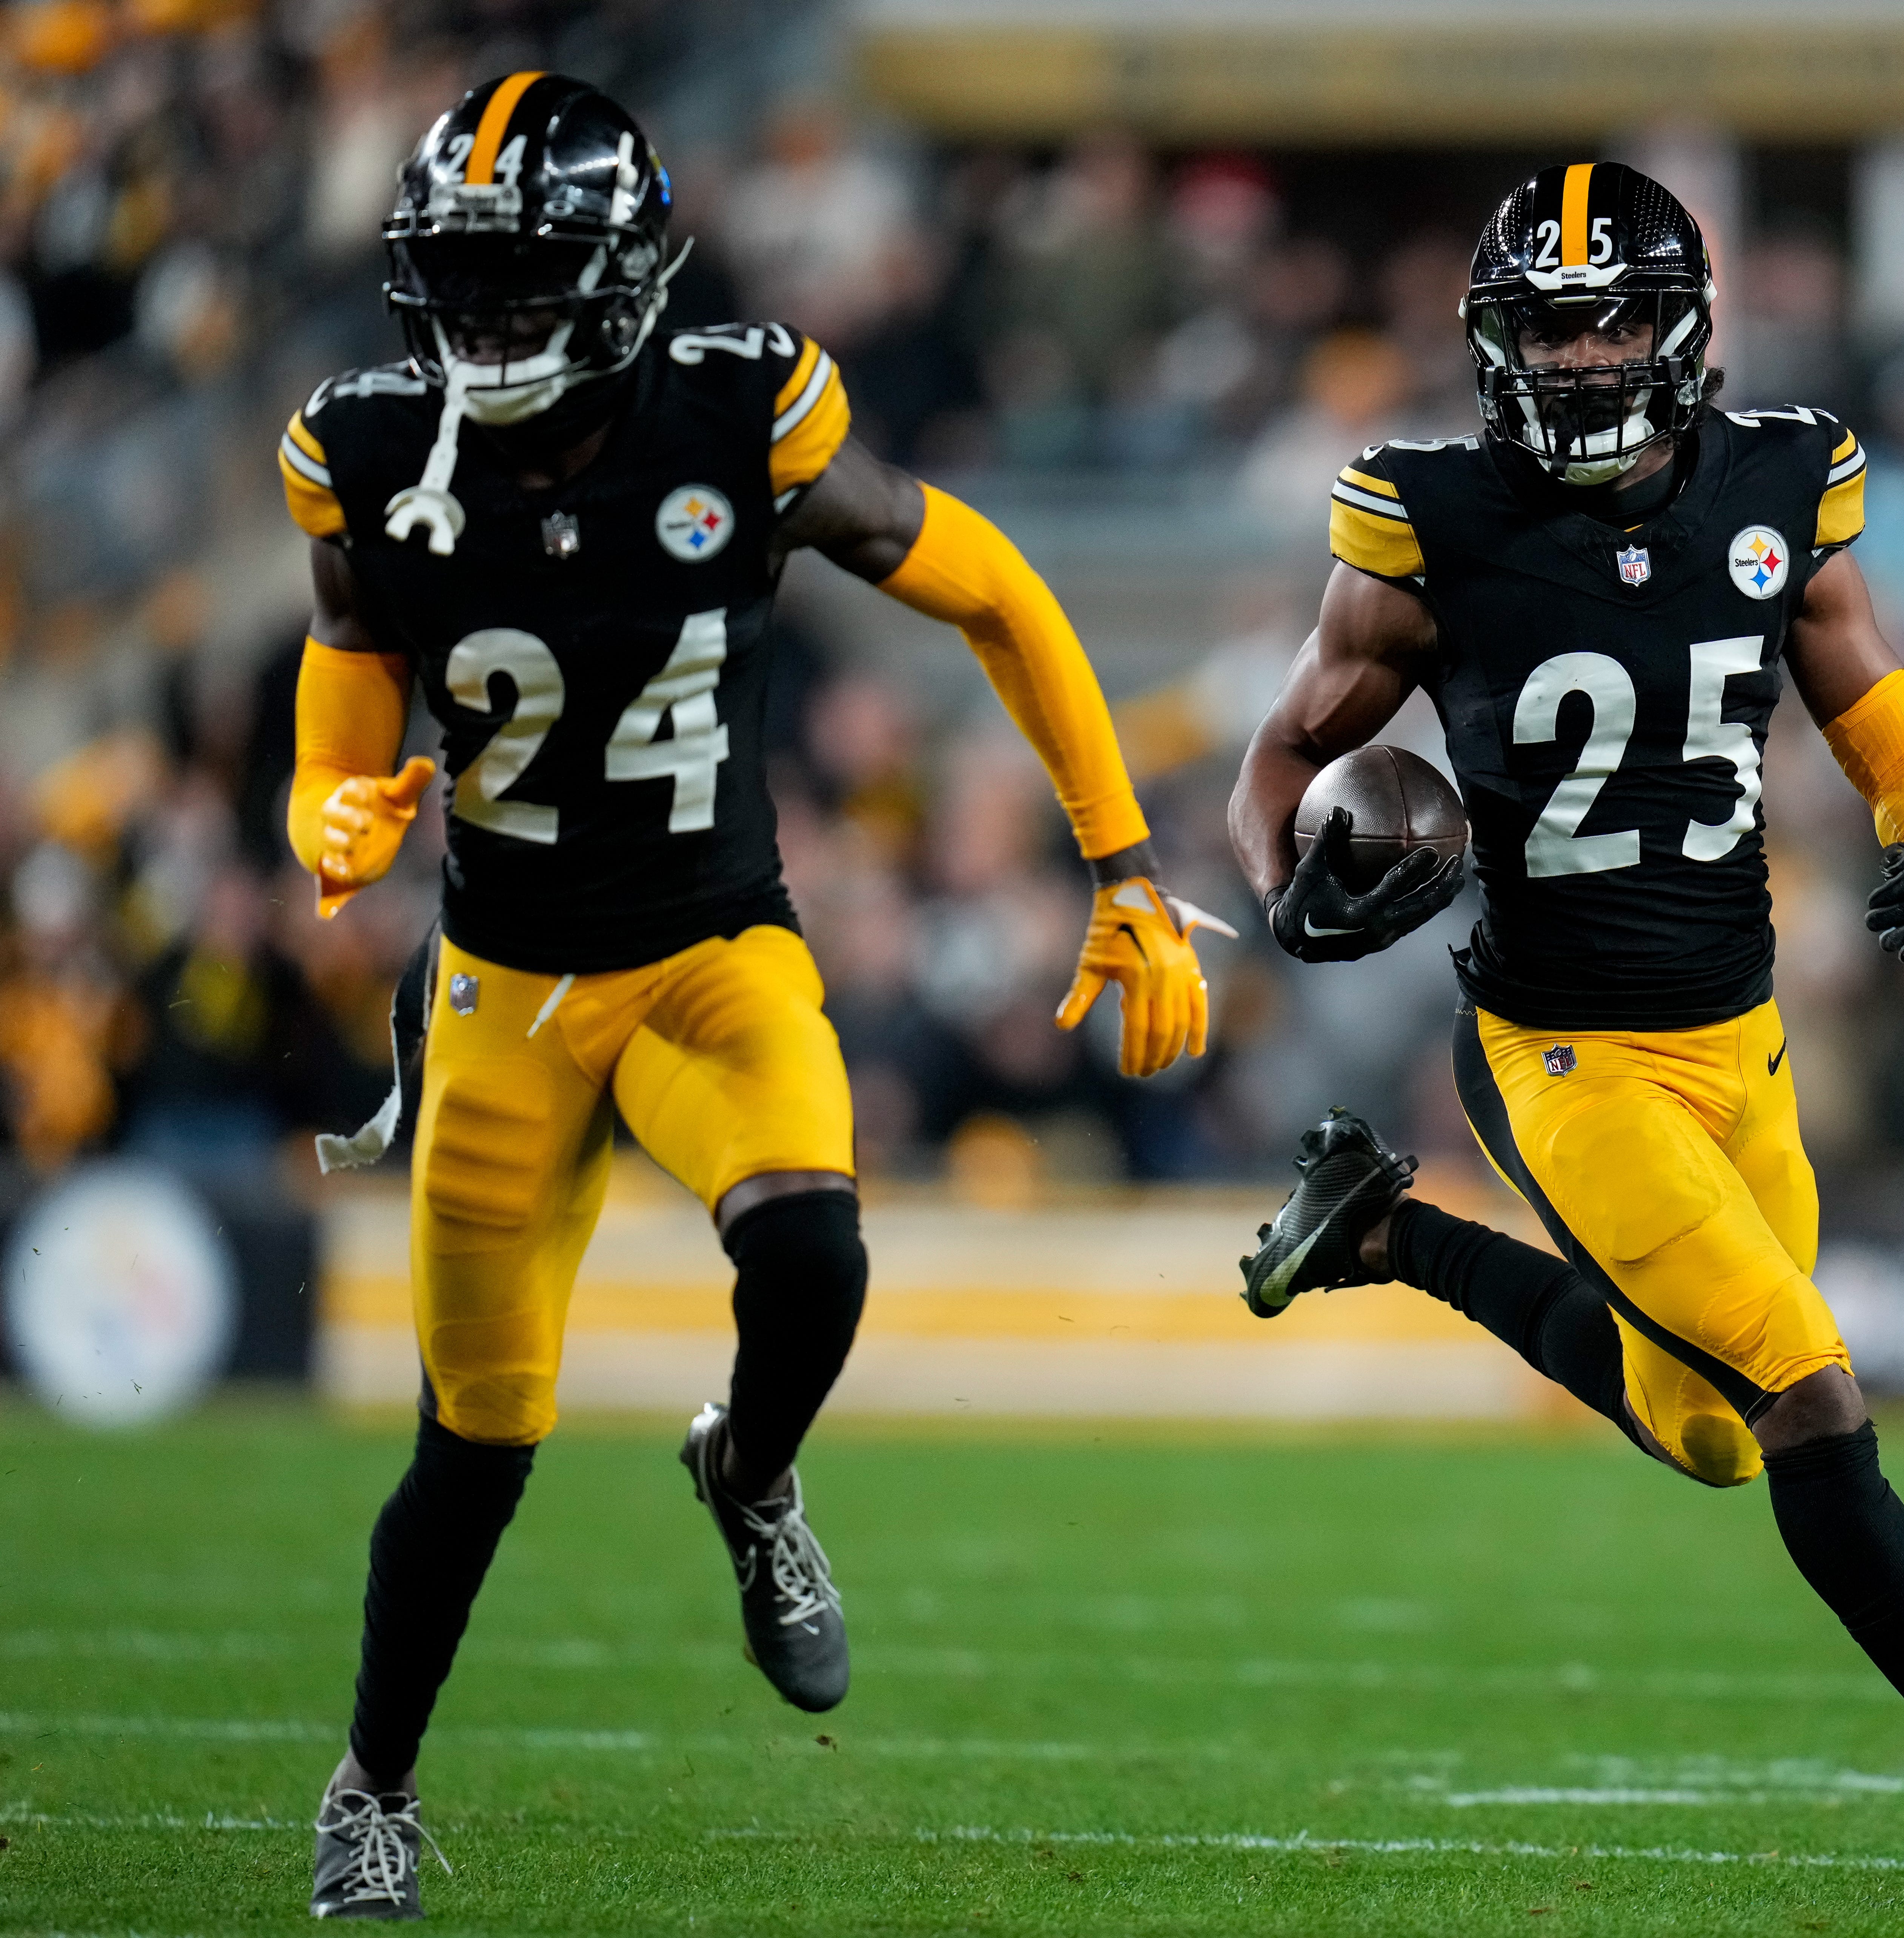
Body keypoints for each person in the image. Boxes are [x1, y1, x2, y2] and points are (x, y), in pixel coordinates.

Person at [283, 74, 1227, 1919]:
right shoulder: (371, 448)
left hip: (715, 954)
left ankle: (753, 1469)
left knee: (813, 1255)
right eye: (457, 282)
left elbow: (1004, 595)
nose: (479, 322)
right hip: (498, 987)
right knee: (474, 1451)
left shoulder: (743, 415)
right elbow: (347, 654)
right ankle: (373, 1780)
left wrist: (1123, 863)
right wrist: (329, 802)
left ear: (627, 277)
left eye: (524, 278)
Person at [1227, 163, 1904, 1911]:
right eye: (1547, 325)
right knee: (1806, 1386)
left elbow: (1876, 702)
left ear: (1681, 329)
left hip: (1738, 1033)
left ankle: (1386, 1232)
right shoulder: (1430, 518)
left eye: (1610, 318)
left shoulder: (1782, 481)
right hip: (1559, 1048)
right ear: (1492, 344)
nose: (1580, 358)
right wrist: (1284, 890)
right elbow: (1276, 758)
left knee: (1714, 1431)